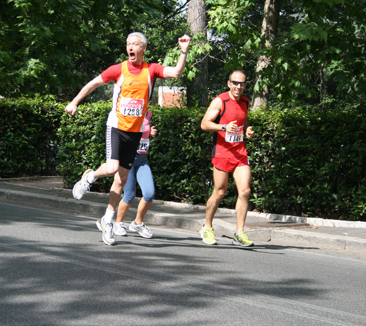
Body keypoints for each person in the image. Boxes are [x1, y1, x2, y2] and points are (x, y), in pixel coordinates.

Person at [65, 32, 191, 246]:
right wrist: (75, 102)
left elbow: (178, 73)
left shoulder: (151, 70)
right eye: (128, 44)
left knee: (121, 180)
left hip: (134, 133)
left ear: (143, 49)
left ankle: (107, 220)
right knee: (112, 168)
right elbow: (93, 84)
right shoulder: (118, 69)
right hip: (115, 127)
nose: (130, 48)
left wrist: (184, 51)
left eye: (135, 44)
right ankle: (90, 177)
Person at [199, 69, 256, 247]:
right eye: (235, 83)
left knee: (245, 191)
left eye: (242, 83)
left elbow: (243, 120)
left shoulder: (246, 101)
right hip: (222, 152)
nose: (239, 87)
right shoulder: (220, 100)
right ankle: (207, 226)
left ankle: (239, 232)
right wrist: (223, 128)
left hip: (239, 152)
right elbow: (204, 124)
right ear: (229, 83)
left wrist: (247, 130)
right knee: (220, 192)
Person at [113, 109, 157, 239]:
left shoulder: (148, 113)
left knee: (149, 193)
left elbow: (144, 133)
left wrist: (151, 133)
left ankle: (137, 223)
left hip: (142, 160)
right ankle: (118, 223)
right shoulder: (129, 112)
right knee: (129, 195)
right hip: (127, 159)